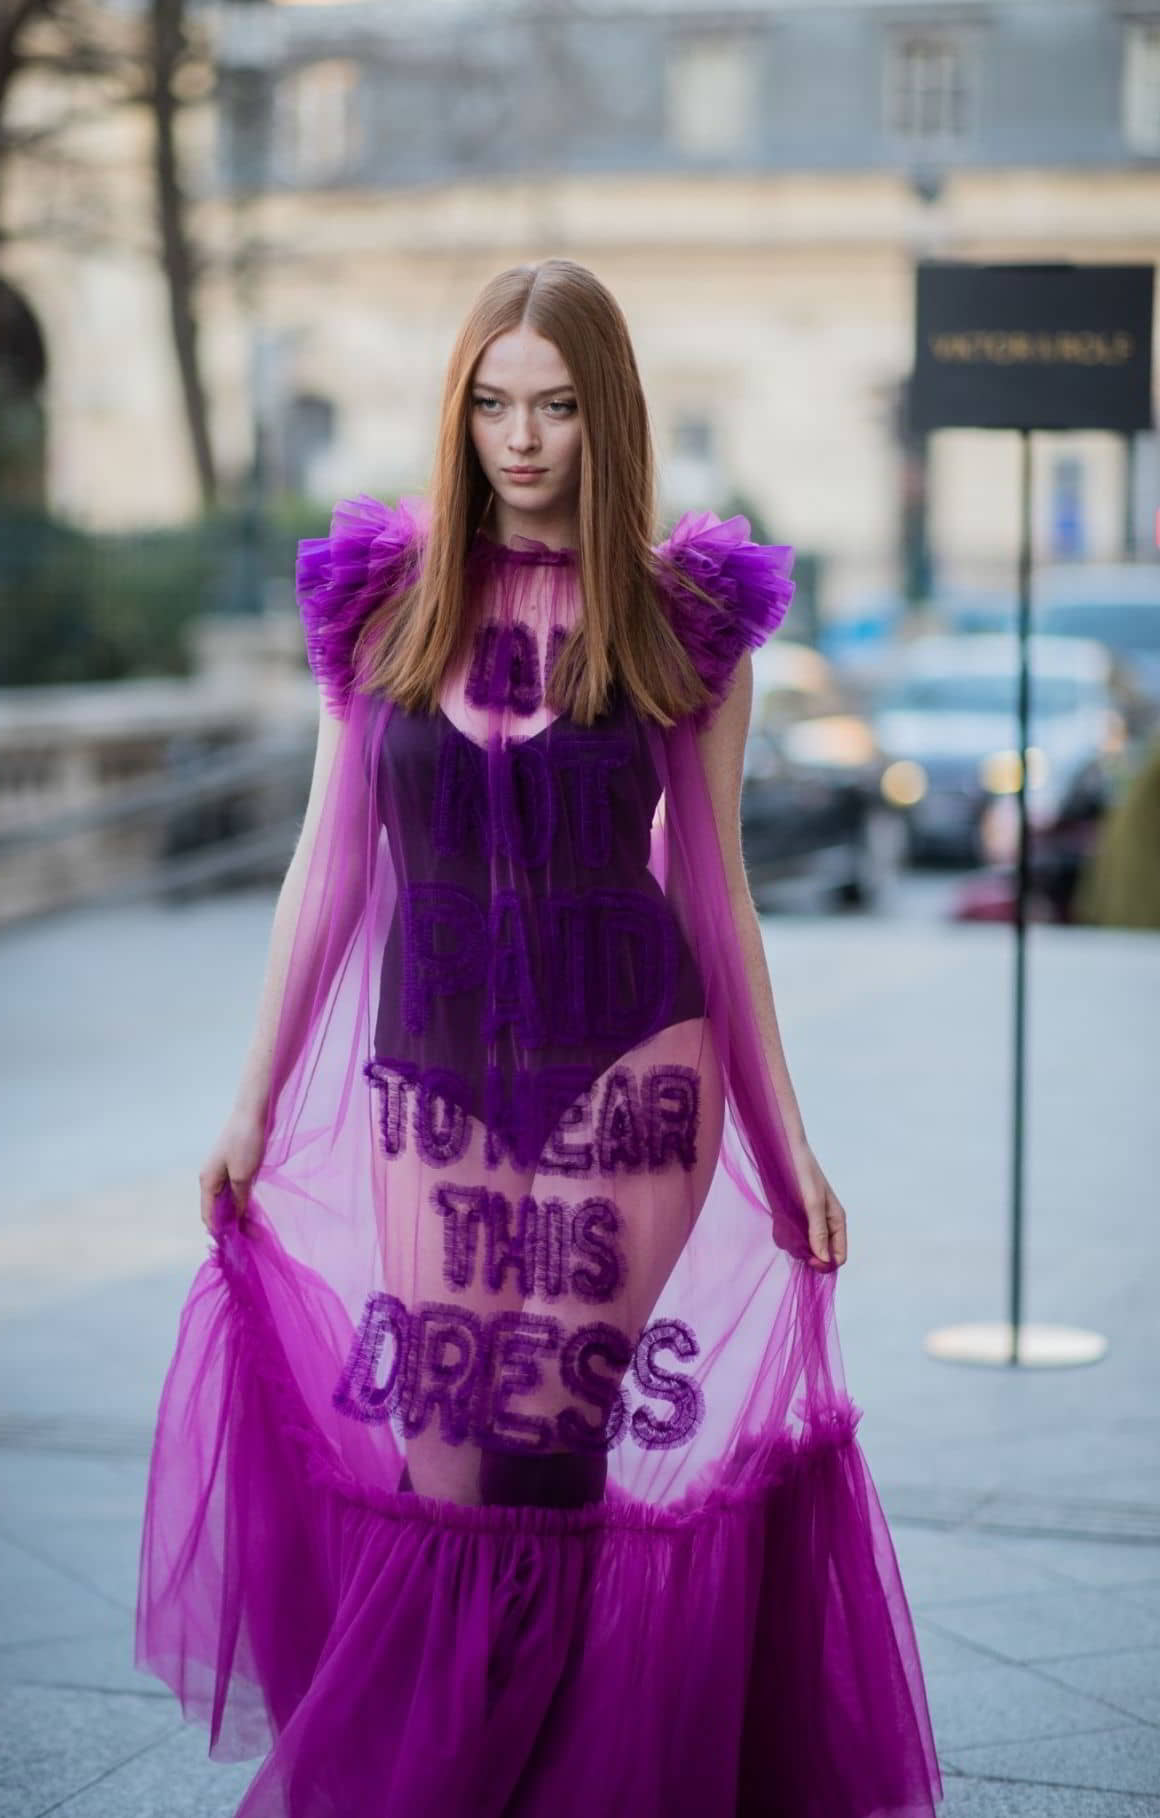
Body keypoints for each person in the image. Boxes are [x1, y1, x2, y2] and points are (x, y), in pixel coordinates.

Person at [136, 259, 943, 1816]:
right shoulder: (381, 601)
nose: (523, 438)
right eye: (494, 403)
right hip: (428, 1080)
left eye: (558, 405)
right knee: (447, 1471)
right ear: (460, 414)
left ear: (608, 415)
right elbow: (329, 867)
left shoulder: (687, 622)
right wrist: (245, 1105)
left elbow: (719, 901)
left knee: (551, 1459)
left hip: (629, 1081)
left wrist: (790, 1148)